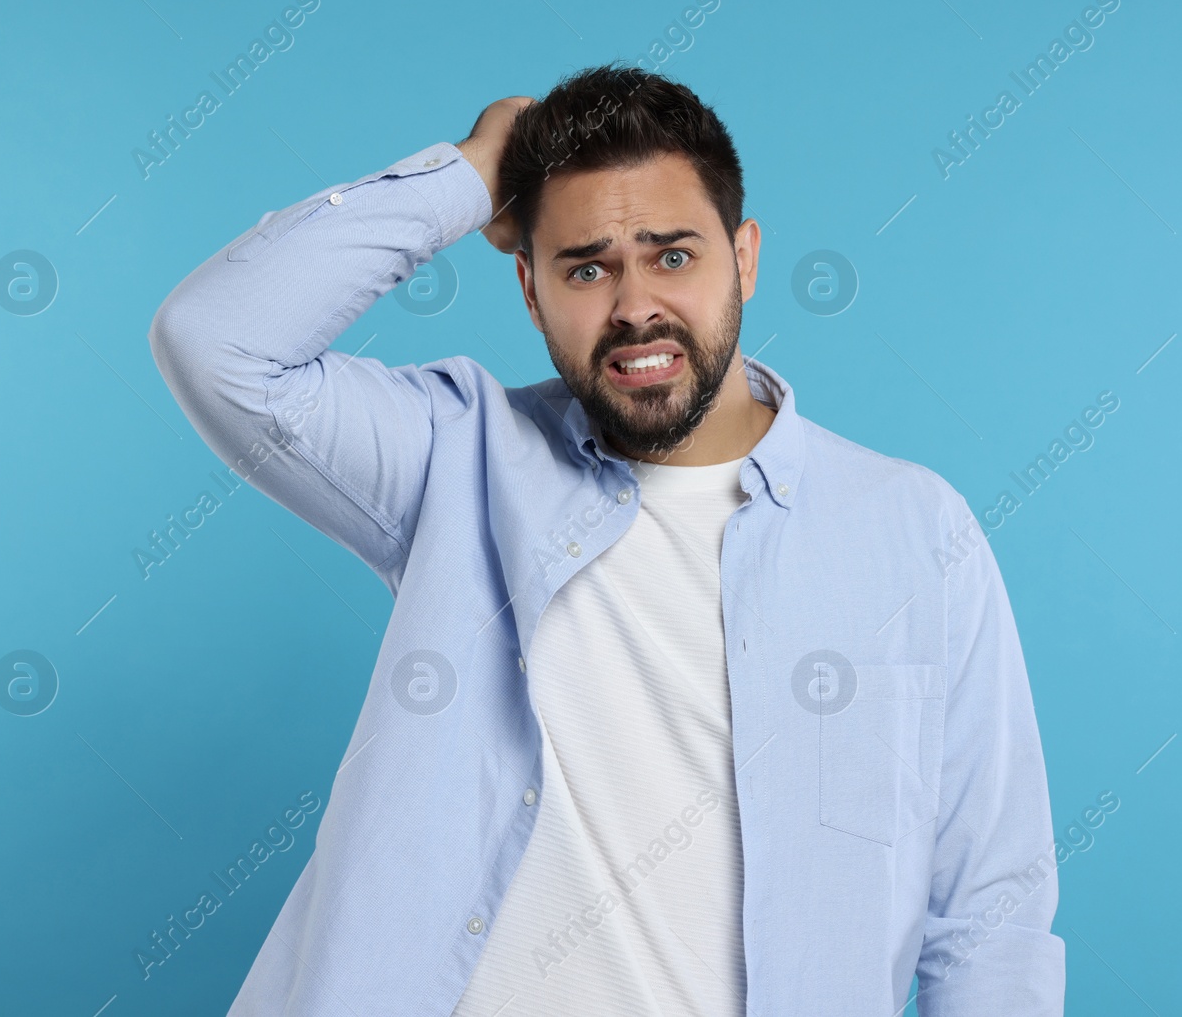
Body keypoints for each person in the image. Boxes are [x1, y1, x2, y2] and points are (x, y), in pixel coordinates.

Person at [149, 61, 1064, 1016]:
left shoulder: (913, 531)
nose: (634, 305)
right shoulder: (456, 460)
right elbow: (218, 342)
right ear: (531, 291)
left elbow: (990, 919)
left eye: (674, 255)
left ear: (744, 257)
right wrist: (469, 174)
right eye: (587, 266)